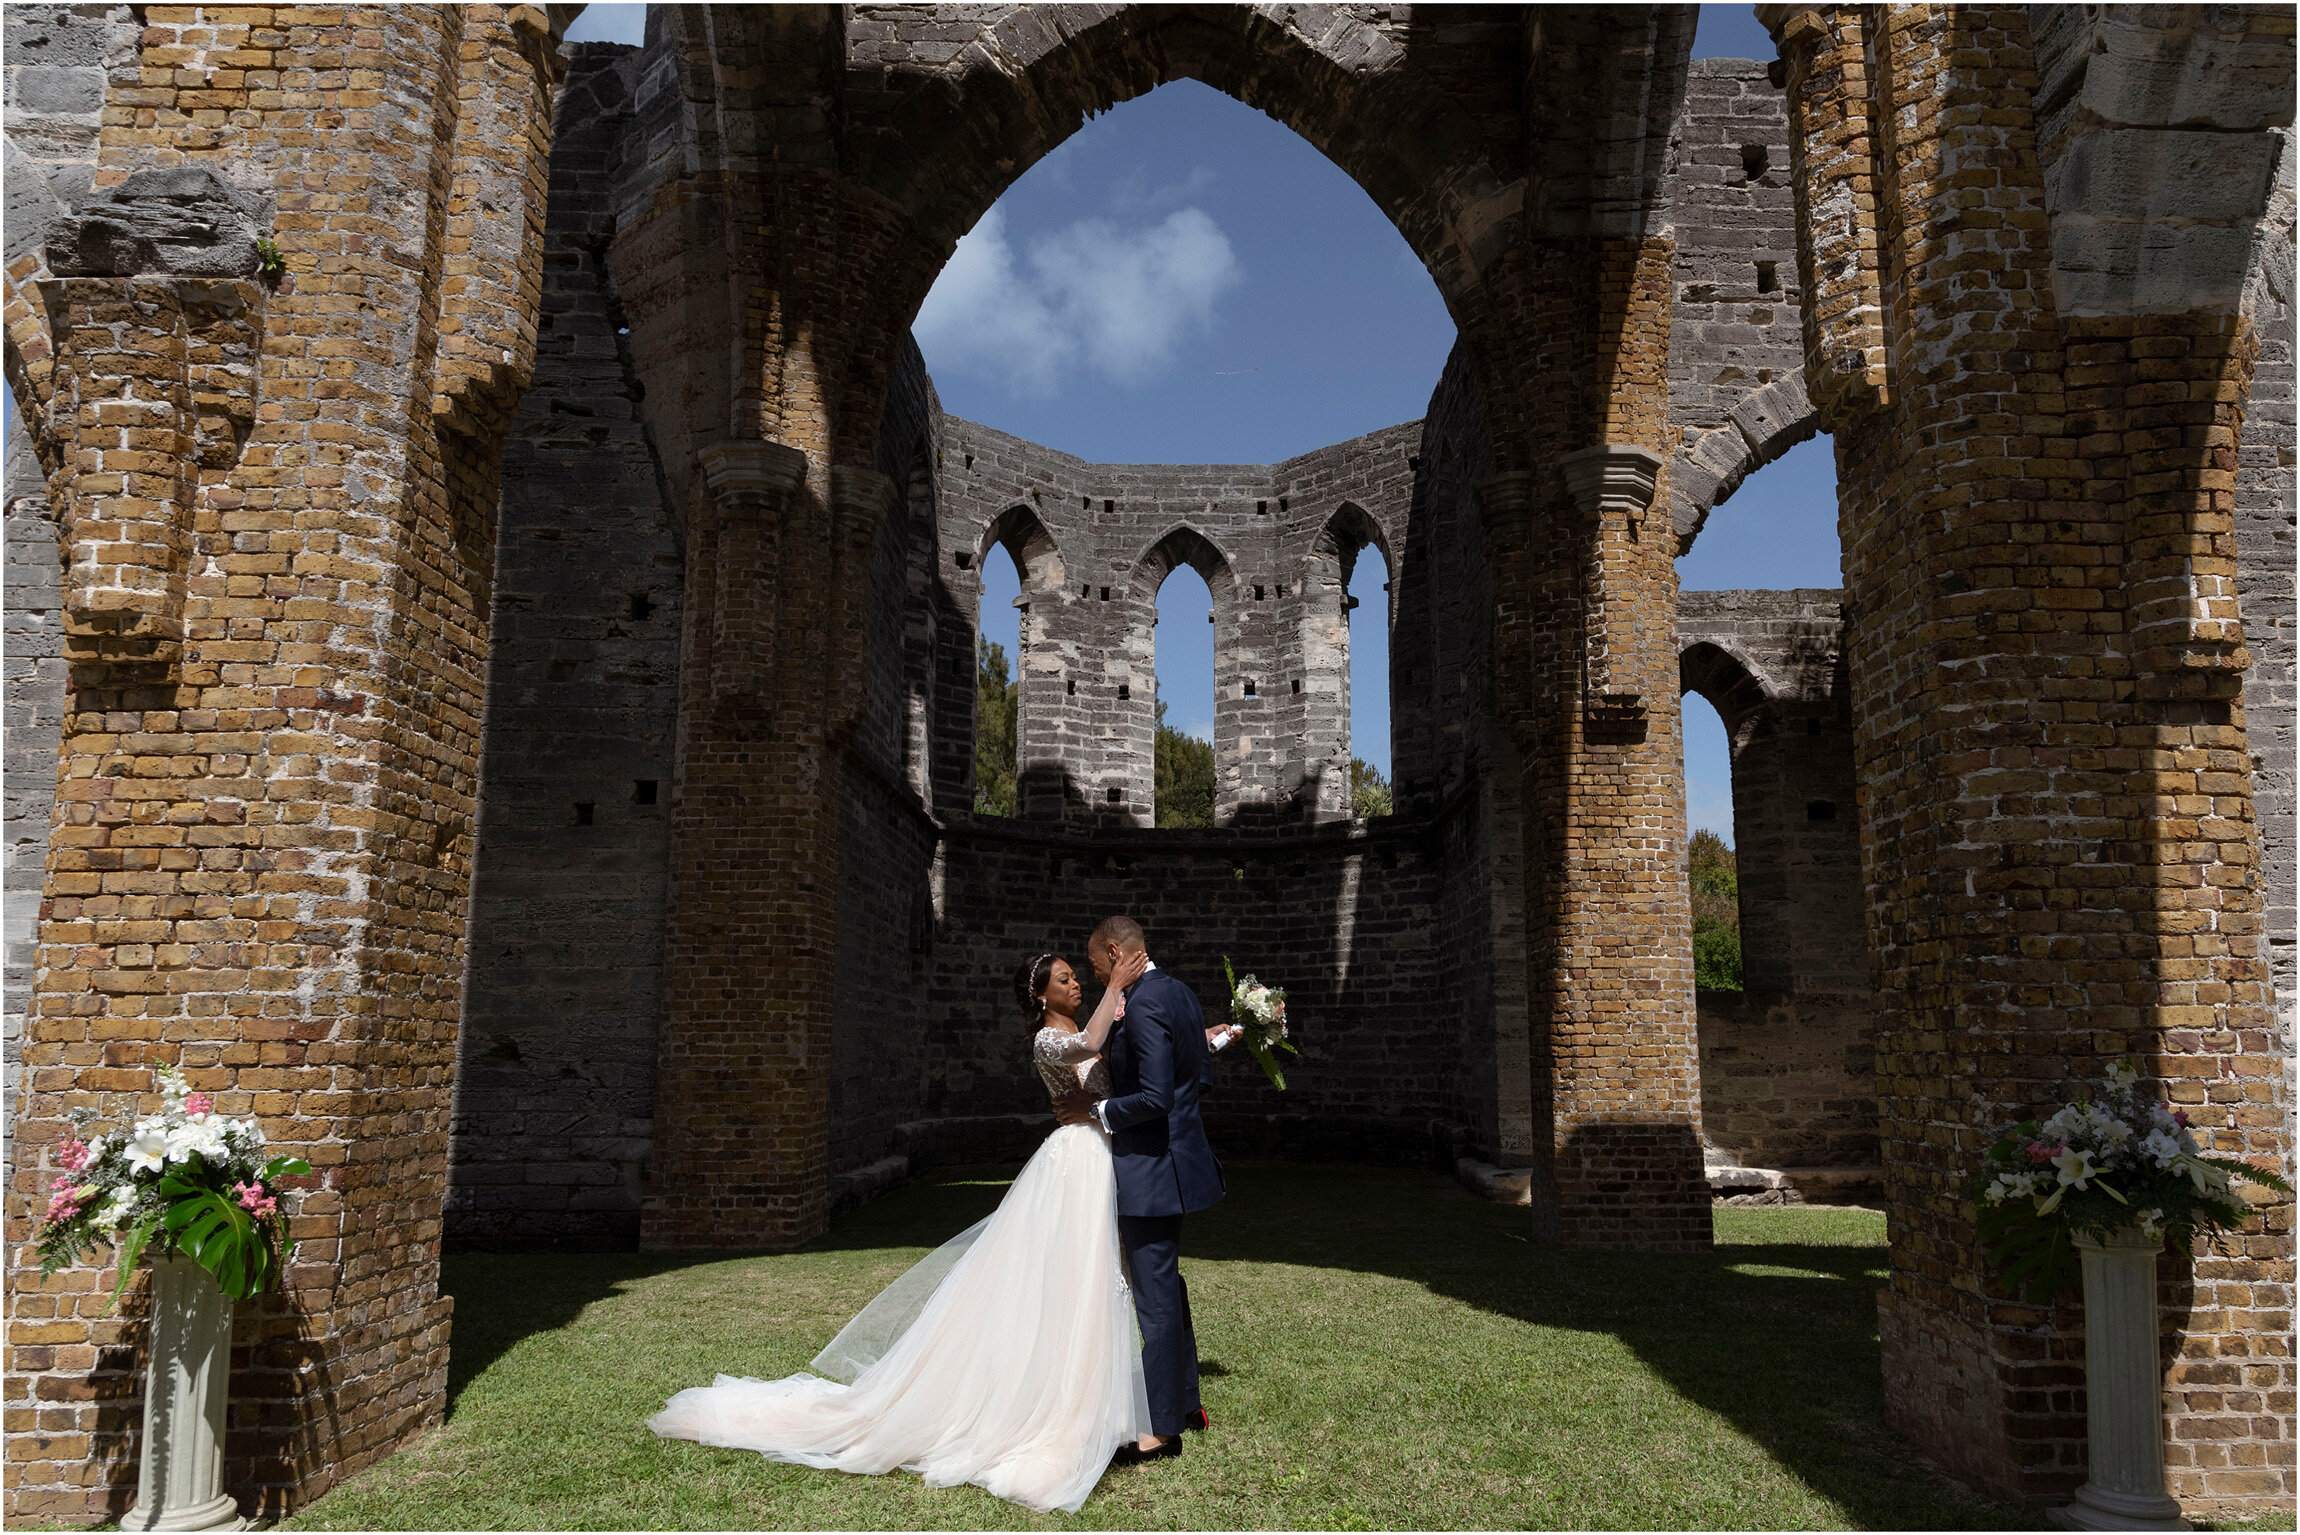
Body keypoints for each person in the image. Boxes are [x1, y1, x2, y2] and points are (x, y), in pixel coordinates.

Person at [647, 947, 1208, 1514]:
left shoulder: (1094, 1022)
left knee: (1099, 1278)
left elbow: (1129, 1058)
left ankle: (1094, 1400)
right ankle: (1048, 1404)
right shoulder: (1047, 1039)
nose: (1076, 985)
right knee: (1071, 1277)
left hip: (1103, 1156)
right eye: (1065, 980)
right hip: (1076, 1158)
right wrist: (1118, 986)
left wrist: (1201, 1035)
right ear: (1041, 996)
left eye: (1076, 977)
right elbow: (1087, 1047)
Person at [1053, 915, 1228, 1464]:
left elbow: (1154, 1097)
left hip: (1151, 1170)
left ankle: (1160, 1431)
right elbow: (1199, 1079)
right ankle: (1186, 1405)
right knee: (1166, 1288)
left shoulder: (1146, 1002)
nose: (1093, 972)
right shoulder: (1179, 993)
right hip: (1176, 1162)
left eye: (1095, 963)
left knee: (1154, 1298)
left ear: (1112, 952)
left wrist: (1098, 1109)